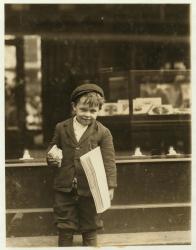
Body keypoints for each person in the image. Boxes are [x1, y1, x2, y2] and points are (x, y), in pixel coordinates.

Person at [46, 83, 117, 247]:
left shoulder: (103, 132)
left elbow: (109, 161)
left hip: (91, 188)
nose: (88, 115)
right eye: (83, 109)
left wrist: (110, 186)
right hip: (65, 186)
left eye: (93, 111)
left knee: (90, 226)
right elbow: (53, 147)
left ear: (99, 110)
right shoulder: (61, 128)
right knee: (65, 226)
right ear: (74, 107)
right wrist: (52, 156)